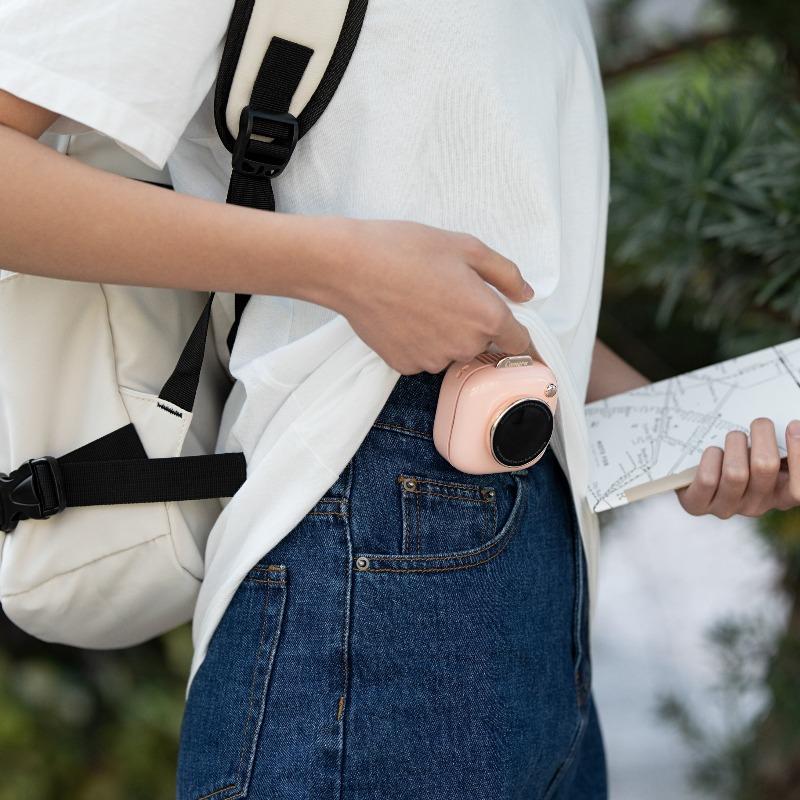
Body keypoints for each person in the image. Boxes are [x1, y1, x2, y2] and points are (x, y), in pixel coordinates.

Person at [1, 1, 798, 798]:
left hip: (542, 564)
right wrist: (343, 269)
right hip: (362, 526)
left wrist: (680, 429)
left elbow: (500, 296)